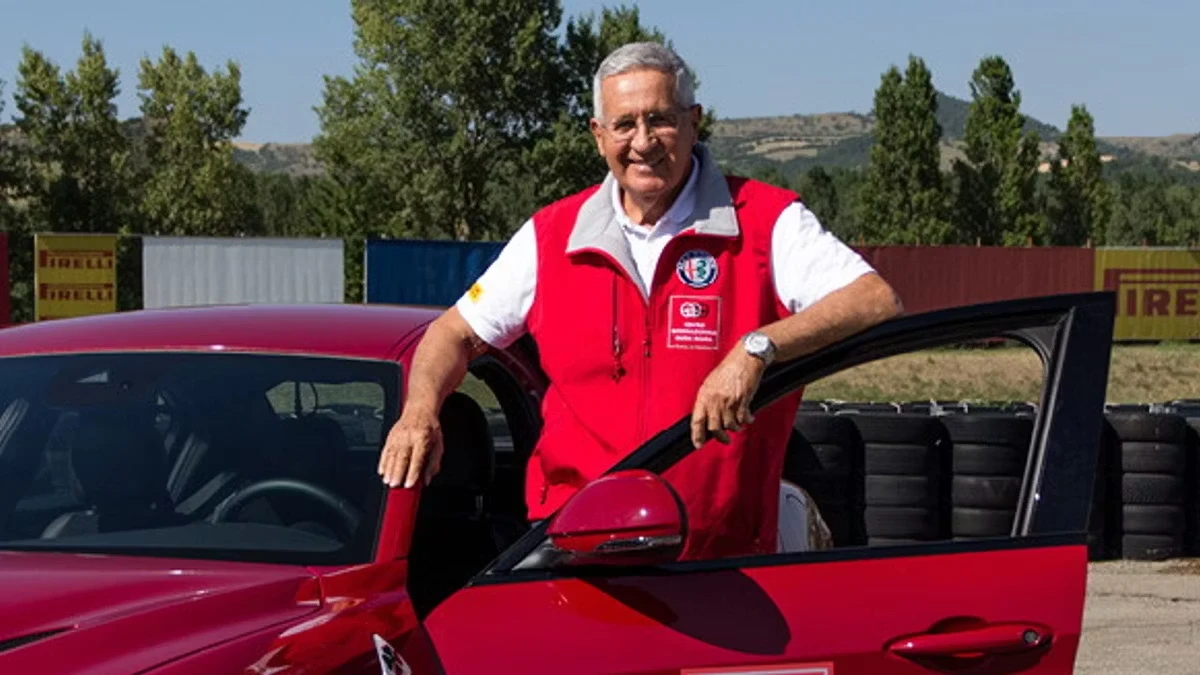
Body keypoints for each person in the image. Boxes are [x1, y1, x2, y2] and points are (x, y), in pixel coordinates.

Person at [378, 41, 902, 561]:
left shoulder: (766, 221)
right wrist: (421, 411)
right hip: (576, 551)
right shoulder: (552, 236)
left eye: (661, 120)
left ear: (695, 122)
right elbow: (452, 332)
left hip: (719, 557)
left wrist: (756, 348)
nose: (643, 142)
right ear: (598, 134)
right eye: (625, 124)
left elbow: (872, 299)